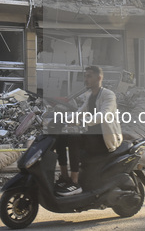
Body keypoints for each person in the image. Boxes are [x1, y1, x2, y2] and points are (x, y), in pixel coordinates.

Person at [56, 65, 123, 196]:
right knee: (60, 137)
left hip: (105, 139)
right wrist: (62, 120)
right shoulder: (90, 96)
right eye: (85, 76)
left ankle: (75, 183)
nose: (85, 79)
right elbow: (80, 112)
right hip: (92, 137)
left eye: (89, 76)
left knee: (74, 138)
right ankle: (65, 176)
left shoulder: (109, 95)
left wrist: (83, 121)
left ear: (99, 78)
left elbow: (104, 114)